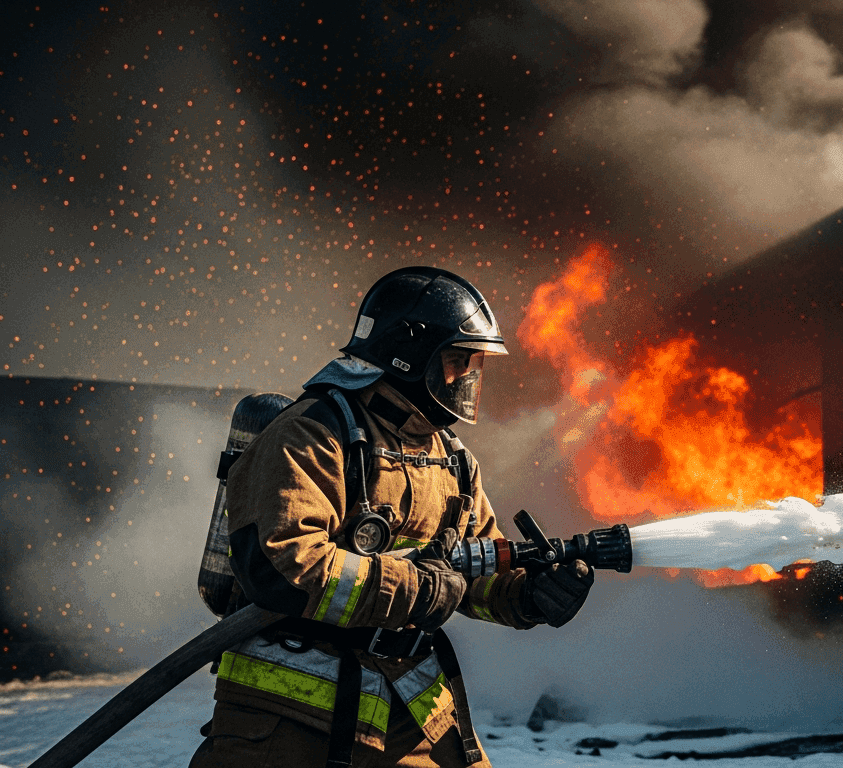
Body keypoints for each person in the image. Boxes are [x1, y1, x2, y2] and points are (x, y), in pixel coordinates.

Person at [189, 266, 594, 768]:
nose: (466, 378)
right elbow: (285, 567)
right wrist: (418, 588)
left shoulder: (452, 460)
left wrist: (528, 594)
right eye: (455, 362)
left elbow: (469, 572)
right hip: (290, 721)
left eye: (472, 366)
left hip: (413, 715)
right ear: (409, 357)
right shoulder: (312, 435)